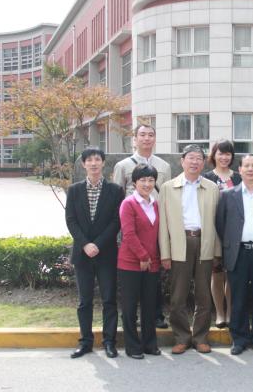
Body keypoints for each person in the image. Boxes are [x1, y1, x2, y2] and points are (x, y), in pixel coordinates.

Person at [158, 144, 221, 355]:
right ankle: (182, 337)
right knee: (178, 296)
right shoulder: (168, 188)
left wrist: (217, 251)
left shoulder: (212, 188)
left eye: (199, 158)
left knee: (204, 295)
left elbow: (217, 222)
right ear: (182, 161)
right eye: (190, 158)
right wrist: (165, 253)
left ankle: (201, 337)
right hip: (179, 243)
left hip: (204, 242)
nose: (194, 162)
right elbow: (163, 224)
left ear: (204, 163)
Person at [65, 147, 124, 359]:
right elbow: (71, 220)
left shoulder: (115, 190)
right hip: (82, 254)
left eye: (97, 159)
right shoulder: (74, 190)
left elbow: (116, 221)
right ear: (83, 164)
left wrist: (97, 244)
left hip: (106, 253)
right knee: (84, 301)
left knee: (109, 300)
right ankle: (85, 342)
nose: (93, 163)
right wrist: (85, 244)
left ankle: (109, 342)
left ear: (103, 163)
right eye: (89, 160)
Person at [112, 122, 172, 330]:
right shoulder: (122, 166)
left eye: (150, 135)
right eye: (142, 135)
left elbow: (166, 196)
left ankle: (155, 315)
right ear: (135, 139)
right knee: (131, 279)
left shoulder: (164, 166)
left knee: (154, 277)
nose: (147, 138)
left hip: (155, 224)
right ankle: (130, 316)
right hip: (132, 226)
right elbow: (117, 196)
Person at [215, 154, 253, 355]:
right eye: (246, 166)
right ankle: (239, 339)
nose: (250, 169)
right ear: (239, 170)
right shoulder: (227, 195)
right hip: (237, 253)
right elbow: (220, 224)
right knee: (237, 298)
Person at [117, 164, 162, 359]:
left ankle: (149, 344)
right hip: (130, 263)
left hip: (152, 264)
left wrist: (152, 259)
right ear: (134, 182)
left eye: (151, 180)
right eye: (143, 180)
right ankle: (132, 347)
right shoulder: (128, 204)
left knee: (149, 306)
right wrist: (143, 256)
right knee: (129, 308)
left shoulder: (155, 204)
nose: (147, 184)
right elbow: (128, 234)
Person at [203, 139, 242, 329]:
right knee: (216, 272)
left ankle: (230, 312)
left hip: (235, 231)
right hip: (213, 229)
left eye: (228, 154)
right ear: (214, 155)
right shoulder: (206, 178)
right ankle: (219, 312)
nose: (224, 157)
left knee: (232, 273)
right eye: (220, 153)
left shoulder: (239, 177)